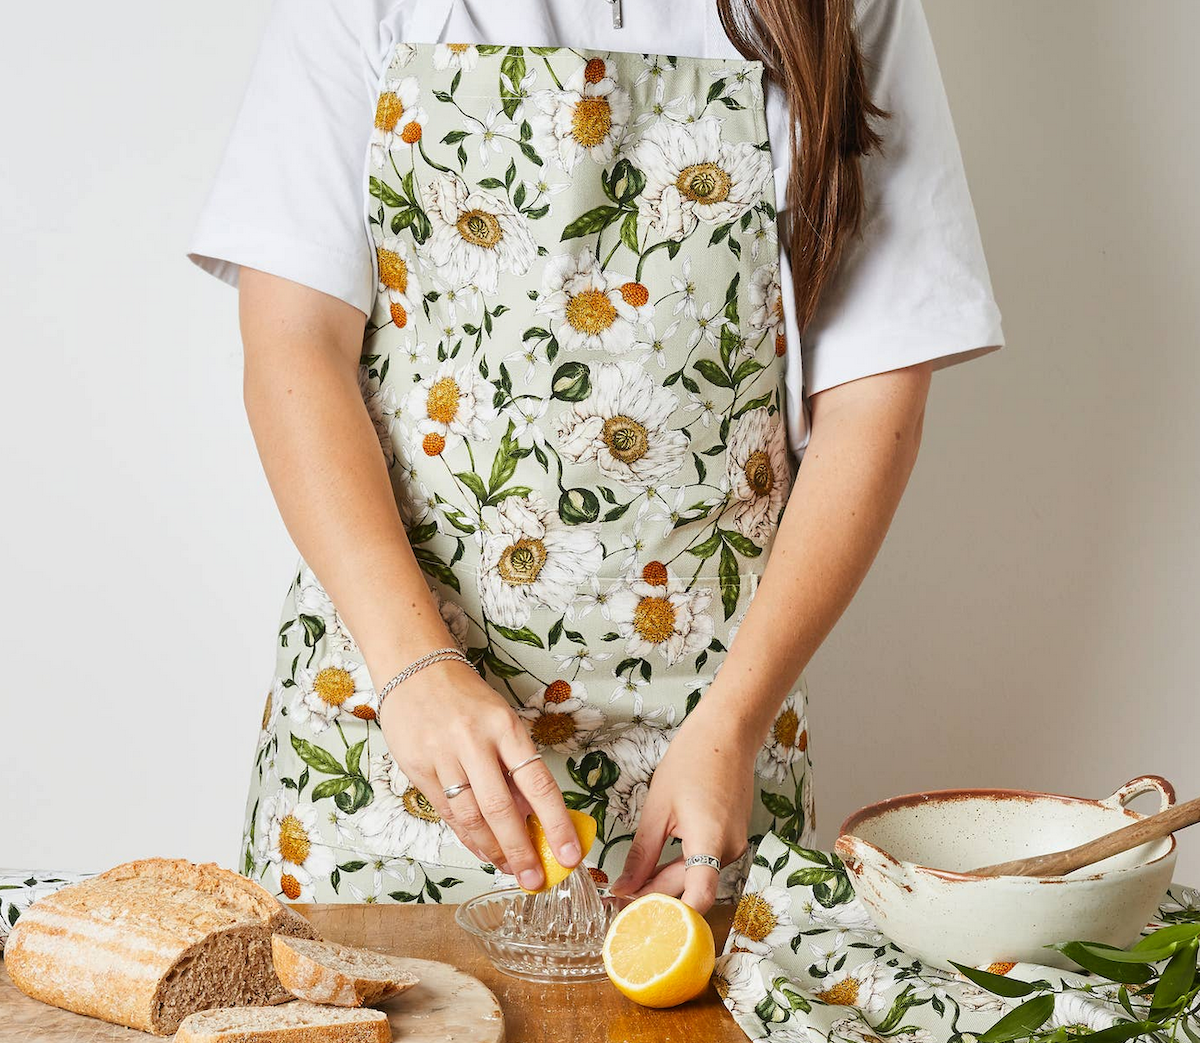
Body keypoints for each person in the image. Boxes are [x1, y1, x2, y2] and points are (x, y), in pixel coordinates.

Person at [189, 0, 1002, 914]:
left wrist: (735, 722)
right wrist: (415, 669)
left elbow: (873, 398)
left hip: (708, 754)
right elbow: (295, 346)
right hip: (391, 723)